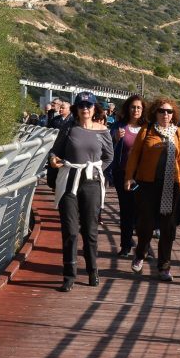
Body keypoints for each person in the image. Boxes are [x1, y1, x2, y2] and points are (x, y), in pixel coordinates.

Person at [48, 91, 113, 292]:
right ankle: (69, 275)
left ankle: (93, 270)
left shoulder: (103, 131)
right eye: (82, 106)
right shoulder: (69, 128)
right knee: (70, 230)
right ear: (77, 109)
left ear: (94, 109)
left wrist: (94, 170)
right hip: (69, 181)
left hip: (91, 184)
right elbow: (55, 151)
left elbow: (109, 157)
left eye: (89, 105)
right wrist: (52, 159)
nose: (85, 109)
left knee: (90, 230)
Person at [124, 98, 180, 282]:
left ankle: (164, 266)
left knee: (167, 227)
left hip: (170, 186)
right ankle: (141, 253)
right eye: (161, 111)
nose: (165, 115)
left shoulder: (177, 133)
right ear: (154, 113)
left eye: (169, 112)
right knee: (146, 224)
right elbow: (134, 154)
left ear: (173, 114)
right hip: (147, 184)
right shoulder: (147, 130)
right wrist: (129, 176)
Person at [109, 95, 147, 258]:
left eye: (139, 107)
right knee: (126, 210)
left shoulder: (148, 127)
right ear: (128, 109)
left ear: (143, 110)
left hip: (143, 175)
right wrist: (115, 138)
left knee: (142, 212)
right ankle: (125, 245)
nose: (136, 110)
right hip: (122, 173)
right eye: (133, 107)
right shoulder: (118, 126)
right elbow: (107, 146)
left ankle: (143, 247)